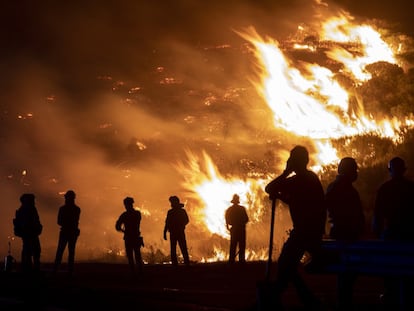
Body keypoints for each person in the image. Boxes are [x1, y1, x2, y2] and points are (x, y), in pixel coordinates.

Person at [264, 145, 326, 309]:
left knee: (285, 263)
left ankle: (277, 296)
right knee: (288, 266)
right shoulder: (311, 178)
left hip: (304, 232)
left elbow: (269, 188)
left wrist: (285, 173)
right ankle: (304, 299)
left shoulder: (299, 179)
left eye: (292, 159)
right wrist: (280, 196)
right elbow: (298, 201)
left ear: (295, 161)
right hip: (311, 229)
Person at [373, 157, 414, 308]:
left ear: (389, 170)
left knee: (389, 267)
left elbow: (377, 215)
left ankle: (391, 294)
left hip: (391, 234)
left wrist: (377, 233)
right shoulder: (411, 188)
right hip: (409, 234)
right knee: (408, 269)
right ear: (404, 170)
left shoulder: (384, 188)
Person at [325, 157, 365, 310]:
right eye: (354, 169)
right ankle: (344, 303)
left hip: (339, 232)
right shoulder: (347, 189)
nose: (356, 173)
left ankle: (343, 301)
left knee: (345, 274)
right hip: (347, 234)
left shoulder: (333, 187)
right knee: (347, 273)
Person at [13, 193, 43, 274]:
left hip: (31, 233)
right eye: (32, 200)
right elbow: (28, 223)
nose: (34, 202)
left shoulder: (30, 209)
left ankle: (29, 269)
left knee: (32, 251)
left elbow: (36, 221)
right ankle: (29, 269)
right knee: (30, 251)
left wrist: (38, 228)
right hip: (29, 234)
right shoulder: (24, 210)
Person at [53, 190, 81, 276]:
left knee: (60, 251)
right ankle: (70, 271)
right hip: (72, 232)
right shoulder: (77, 209)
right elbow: (75, 221)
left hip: (65, 231)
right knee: (71, 252)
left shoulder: (63, 209)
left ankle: (55, 270)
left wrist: (66, 223)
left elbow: (59, 222)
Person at [115, 197, 144, 275]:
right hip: (136, 237)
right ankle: (140, 272)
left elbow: (117, 226)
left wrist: (123, 231)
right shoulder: (137, 214)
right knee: (137, 255)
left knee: (130, 257)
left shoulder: (124, 215)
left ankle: (133, 272)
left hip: (128, 238)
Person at [163, 195, 190, 266]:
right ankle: (176, 264)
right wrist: (164, 232)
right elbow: (167, 222)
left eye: (172, 202)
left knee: (182, 248)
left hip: (178, 232)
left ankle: (186, 263)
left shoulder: (180, 211)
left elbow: (186, 220)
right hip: (174, 232)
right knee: (175, 248)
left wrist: (181, 225)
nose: (171, 204)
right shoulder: (171, 212)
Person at [225, 194, 249, 263]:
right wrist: (241, 223)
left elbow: (227, 221)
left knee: (233, 245)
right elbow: (246, 219)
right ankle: (241, 260)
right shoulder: (242, 209)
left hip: (234, 229)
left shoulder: (229, 210)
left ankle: (231, 260)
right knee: (242, 245)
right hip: (241, 229)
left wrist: (229, 228)